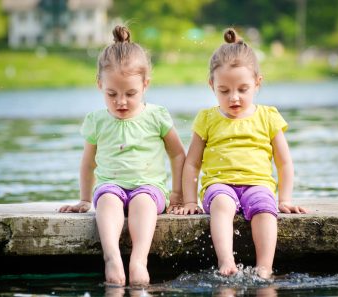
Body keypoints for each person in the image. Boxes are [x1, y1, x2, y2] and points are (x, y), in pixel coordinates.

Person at [59, 25, 185, 286]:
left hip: (149, 188)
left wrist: (177, 193)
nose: (121, 102)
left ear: (145, 85)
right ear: (99, 85)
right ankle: (112, 258)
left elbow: (177, 154)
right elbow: (88, 163)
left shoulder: (156, 116)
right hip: (110, 186)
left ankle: (139, 260)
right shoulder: (96, 121)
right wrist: (84, 198)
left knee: (142, 202)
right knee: (106, 201)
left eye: (130, 94)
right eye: (112, 94)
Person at [181, 28, 307, 279]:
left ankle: (264, 266)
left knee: (264, 208)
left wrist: (284, 198)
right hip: (220, 184)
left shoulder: (268, 116)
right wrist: (189, 201)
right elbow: (192, 164)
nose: (234, 97)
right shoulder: (207, 119)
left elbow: (284, 163)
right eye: (224, 90)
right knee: (221, 204)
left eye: (243, 89)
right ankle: (226, 260)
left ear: (257, 83)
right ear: (212, 85)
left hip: (257, 184)